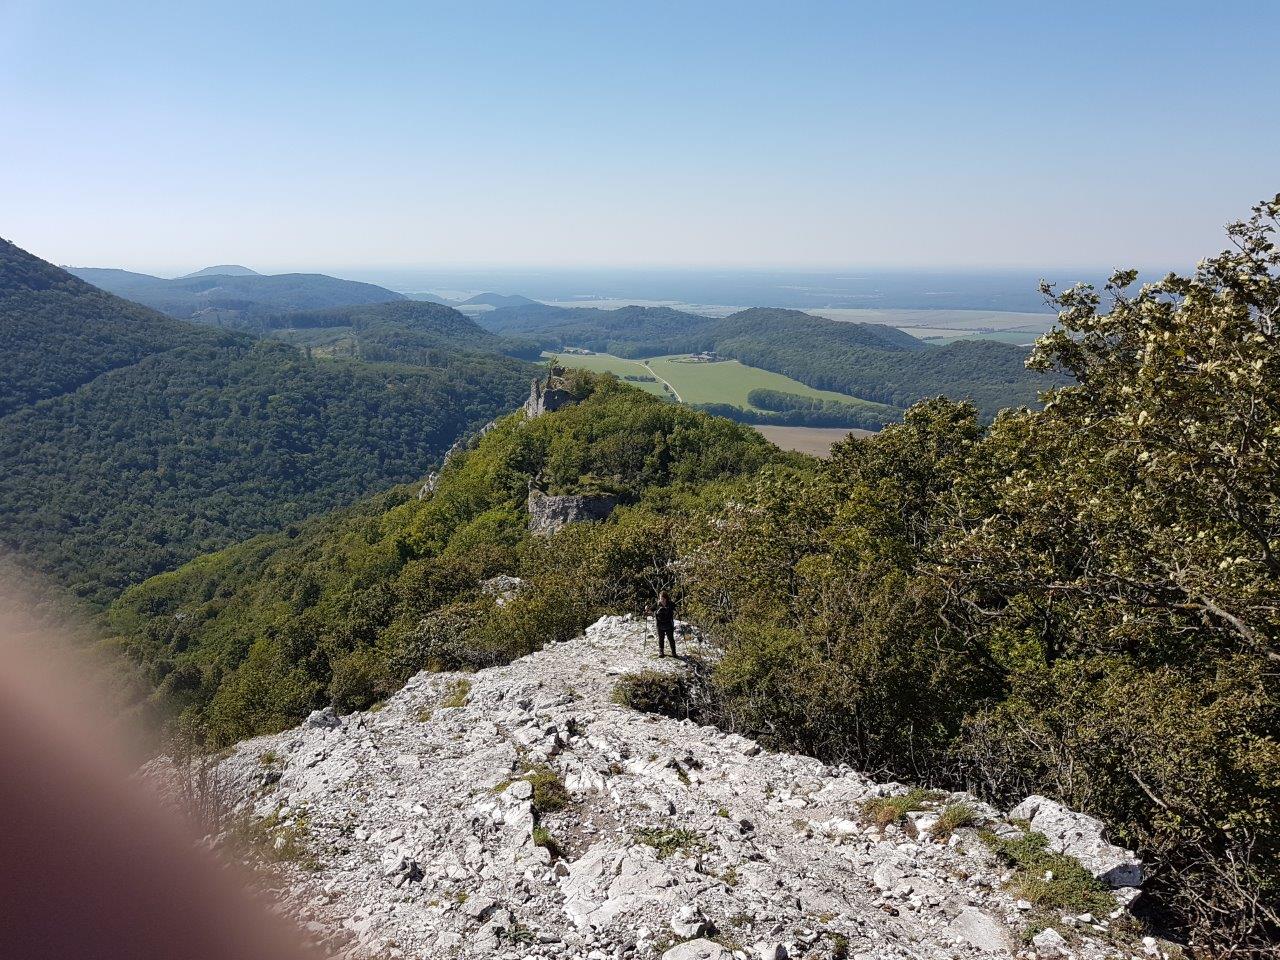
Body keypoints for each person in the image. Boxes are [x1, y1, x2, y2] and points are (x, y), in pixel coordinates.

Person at [652, 590, 678, 658]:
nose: (661, 600)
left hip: (669, 624)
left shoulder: (670, 604)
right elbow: (650, 610)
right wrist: (646, 610)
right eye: (660, 598)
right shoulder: (657, 604)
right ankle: (661, 652)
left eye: (663, 599)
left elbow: (676, 607)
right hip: (660, 624)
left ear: (666, 598)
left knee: (671, 639)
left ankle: (673, 652)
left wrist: (677, 610)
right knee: (661, 638)